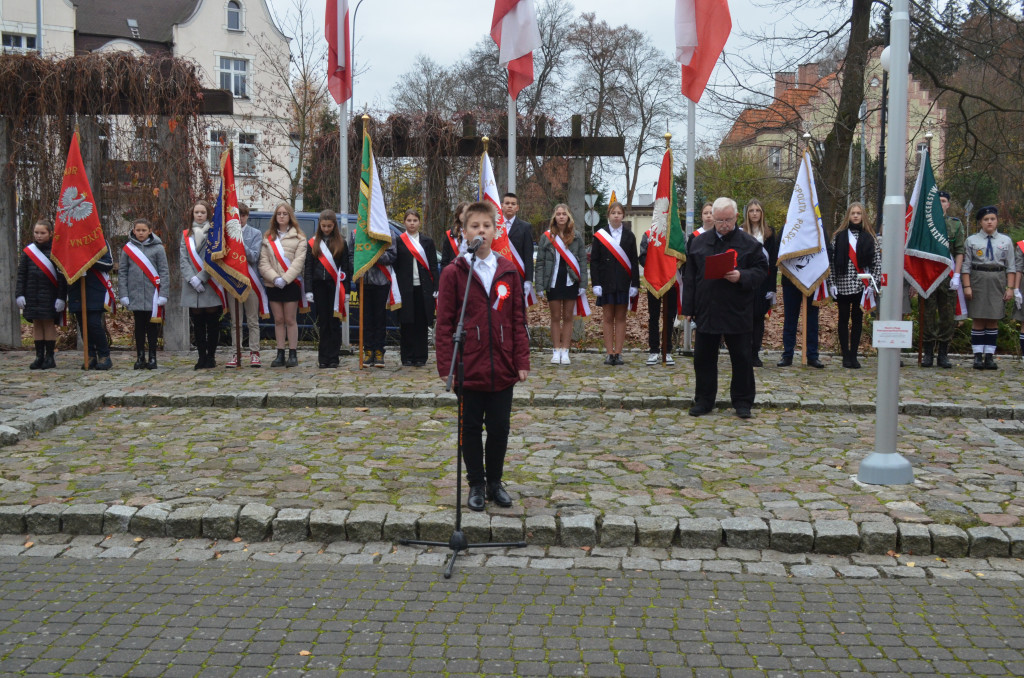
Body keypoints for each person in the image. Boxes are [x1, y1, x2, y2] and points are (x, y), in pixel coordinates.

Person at [435, 201, 530, 512]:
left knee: (500, 427)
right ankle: (475, 482)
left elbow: (518, 319)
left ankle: (494, 482)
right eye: (474, 226)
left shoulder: (508, 271)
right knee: (471, 428)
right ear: (465, 232)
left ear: (495, 230)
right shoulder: (454, 272)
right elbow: (445, 322)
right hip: (469, 364)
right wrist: (447, 366)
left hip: (502, 364)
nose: (481, 231)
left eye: (486, 226)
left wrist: (521, 361)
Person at [681, 197, 768, 419]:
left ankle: (742, 401)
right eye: (719, 220)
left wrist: (742, 275)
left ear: (736, 217)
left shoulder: (750, 244)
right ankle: (704, 400)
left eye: (727, 220)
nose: (723, 225)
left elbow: (761, 272)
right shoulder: (698, 243)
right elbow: (690, 277)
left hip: (737, 309)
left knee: (741, 357)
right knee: (703, 358)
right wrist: (688, 307)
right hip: (707, 308)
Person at [828, 203, 882, 369]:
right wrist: (832, 283)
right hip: (843, 284)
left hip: (862, 285)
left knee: (858, 320)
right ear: (848, 216)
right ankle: (845, 355)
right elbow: (831, 262)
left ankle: (854, 355)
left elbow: (877, 263)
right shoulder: (839, 236)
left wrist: (873, 283)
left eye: (859, 213)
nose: (856, 216)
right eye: (853, 213)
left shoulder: (870, 237)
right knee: (843, 319)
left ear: (863, 216)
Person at [963, 206, 1014, 369]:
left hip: (997, 279)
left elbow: (1011, 266)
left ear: (997, 221)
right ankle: (977, 356)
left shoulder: (1005, 241)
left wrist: (1010, 288)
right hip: (978, 279)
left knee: (993, 319)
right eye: (986, 219)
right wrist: (967, 286)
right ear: (980, 222)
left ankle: (989, 357)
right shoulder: (971, 240)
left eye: (992, 219)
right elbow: (966, 266)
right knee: (978, 318)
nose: (989, 222)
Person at [535, 203, 587, 365]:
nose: (561, 216)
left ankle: (566, 351)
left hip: (570, 281)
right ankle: (556, 350)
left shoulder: (577, 236)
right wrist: (539, 285)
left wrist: (583, 283)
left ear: (569, 216)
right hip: (553, 281)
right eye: (558, 214)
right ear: (554, 217)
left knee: (568, 317)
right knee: (556, 317)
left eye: (564, 214)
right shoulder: (547, 237)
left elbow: (583, 261)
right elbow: (541, 263)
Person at [920, 190, 966, 368]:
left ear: (948, 204)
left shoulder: (955, 225)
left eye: (944, 200)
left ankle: (943, 354)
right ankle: (928, 353)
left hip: (948, 275)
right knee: (928, 315)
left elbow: (960, 251)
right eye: (938, 201)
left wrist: (957, 275)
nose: (941, 203)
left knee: (947, 316)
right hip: (929, 276)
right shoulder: (925, 225)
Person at [590, 201, 639, 365]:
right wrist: (595, 283)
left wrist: (635, 284)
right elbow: (594, 261)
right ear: (608, 215)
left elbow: (633, 261)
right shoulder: (600, 235)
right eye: (613, 213)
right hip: (606, 283)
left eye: (619, 213)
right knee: (607, 317)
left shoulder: (629, 236)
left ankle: (618, 353)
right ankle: (609, 353)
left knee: (621, 317)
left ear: (623, 215)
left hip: (623, 283)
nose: (616, 215)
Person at [259, 203, 307, 368]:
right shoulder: (267, 239)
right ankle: (280, 353)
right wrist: (275, 278)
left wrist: (285, 279)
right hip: (273, 284)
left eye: (285, 213)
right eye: (279, 213)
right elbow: (263, 263)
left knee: (290, 319)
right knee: (278, 320)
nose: (281, 216)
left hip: (291, 283)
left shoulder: (299, 238)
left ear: (290, 216)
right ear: (275, 217)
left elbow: (298, 263)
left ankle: (293, 353)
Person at [15, 218, 67, 369]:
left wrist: (61, 298)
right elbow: (21, 275)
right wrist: (19, 294)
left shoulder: (56, 251)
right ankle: (39, 356)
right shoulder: (28, 252)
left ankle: (50, 357)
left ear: (50, 234)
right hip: (32, 294)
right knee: (37, 324)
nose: (39, 236)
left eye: (42, 233)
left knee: (48, 324)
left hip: (50, 295)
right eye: (36, 232)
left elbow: (62, 277)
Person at [118, 218, 169, 370]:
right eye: (138, 230)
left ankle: (152, 357)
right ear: (133, 231)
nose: (140, 233)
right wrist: (124, 294)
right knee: (139, 327)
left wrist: (163, 294)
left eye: (143, 230)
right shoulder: (128, 249)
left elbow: (164, 272)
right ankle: (140, 356)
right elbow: (122, 272)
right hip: (135, 294)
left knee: (152, 328)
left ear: (150, 231)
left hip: (153, 295)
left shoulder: (158, 248)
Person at [304, 209, 351, 368]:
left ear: (334, 225)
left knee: (334, 323)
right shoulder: (313, 243)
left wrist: (347, 290)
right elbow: (308, 267)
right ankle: (323, 358)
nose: (326, 229)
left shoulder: (341, 242)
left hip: (335, 288)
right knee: (323, 323)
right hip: (319, 287)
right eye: (323, 226)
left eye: (329, 226)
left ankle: (334, 357)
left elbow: (346, 268)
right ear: (319, 225)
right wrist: (308, 289)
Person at [180, 200, 224, 370]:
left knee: (212, 323)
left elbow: (215, 258)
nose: (199, 215)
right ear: (192, 214)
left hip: (210, 282)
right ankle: (201, 357)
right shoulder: (185, 234)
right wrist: (192, 278)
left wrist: (202, 277)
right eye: (196, 212)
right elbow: (183, 259)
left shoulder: (214, 234)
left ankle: (211, 357)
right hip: (191, 284)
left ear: (208, 214)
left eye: (202, 212)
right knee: (197, 324)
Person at [349, 221, 398, 368]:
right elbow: (351, 255)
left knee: (379, 318)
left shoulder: (387, 232)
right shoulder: (356, 233)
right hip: (363, 281)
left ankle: (379, 351)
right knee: (365, 318)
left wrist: (373, 256)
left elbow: (392, 255)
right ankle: (368, 350)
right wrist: (358, 266)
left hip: (381, 281)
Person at [394, 209, 438, 367]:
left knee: (421, 323)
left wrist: (436, 287)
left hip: (423, 287)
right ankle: (407, 356)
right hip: (405, 288)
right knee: (407, 323)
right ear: (404, 222)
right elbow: (395, 265)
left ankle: (420, 356)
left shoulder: (427, 242)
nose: (412, 223)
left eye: (415, 220)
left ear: (419, 222)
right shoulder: (399, 241)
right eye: (409, 220)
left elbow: (433, 266)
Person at [227, 202, 265, 368]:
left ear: (247, 216)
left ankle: (254, 352)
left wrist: (239, 242)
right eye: (237, 216)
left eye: (243, 215)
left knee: (252, 320)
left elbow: (254, 256)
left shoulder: (255, 233)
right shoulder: (226, 234)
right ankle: (236, 352)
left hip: (251, 282)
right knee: (235, 321)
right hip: (233, 281)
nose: (240, 219)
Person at [741, 199, 778, 367]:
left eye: (757, 210)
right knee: (744, 319)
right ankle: (744, 352)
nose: (754, 213)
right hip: (745, 281)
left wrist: (772, 288)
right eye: (751, 210)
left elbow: (773, 263)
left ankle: (755, 352)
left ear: (762, 213)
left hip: (763, 282)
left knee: (758, 319)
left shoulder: (770, 234)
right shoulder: (741, 232)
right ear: (747, 214)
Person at [639, 216, 678, 367]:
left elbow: (683, 255)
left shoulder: (677, 234)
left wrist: (669, 270)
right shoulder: (648, 235)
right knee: (653, 316)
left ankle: (667, 350)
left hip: (672, 280)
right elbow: (642, 257)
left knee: (669, 316)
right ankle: (654, 350)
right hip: (654, 280)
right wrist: (656, 268)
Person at [68, 249, 115, 370]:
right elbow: (61, 266)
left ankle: (104, 355)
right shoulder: (70, 240)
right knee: (83, 325)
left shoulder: (99, 240)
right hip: (76, 287)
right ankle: (90, 355)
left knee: (94, 323)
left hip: (95, 287)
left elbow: (108, 264)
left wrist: (88, 262)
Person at [502, 192, 535, 300]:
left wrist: (528, 279)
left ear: (517, 208)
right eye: (507, 203)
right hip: (498, 274)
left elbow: (528, 255)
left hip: (518, 275)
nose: (510, 206)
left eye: (513, 203)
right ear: (502, 206)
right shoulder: (494, 226)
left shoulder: (525, 227)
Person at [440, 201, 469, 269]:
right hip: (455, 273)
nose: (464, 215)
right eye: (462, 212)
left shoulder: (476, 233)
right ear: (458, 214)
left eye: (467, 212)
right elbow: (445, 260)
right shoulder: (450, 234)